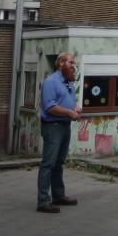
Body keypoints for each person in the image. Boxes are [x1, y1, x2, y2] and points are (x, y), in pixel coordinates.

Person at [37, 52, 81, 213]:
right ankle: (43, 201)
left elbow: (68, 102)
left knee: (59, 163)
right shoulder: (51, 82)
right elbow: (50, 107)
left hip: (65, 126)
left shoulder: (68, 83)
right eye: (71, 62)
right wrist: (69, 113)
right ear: (61, 63)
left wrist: (75, 108)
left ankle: (58, 196)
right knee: (48, 163)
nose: (73, 65)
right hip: (53, 126)